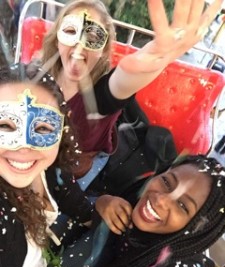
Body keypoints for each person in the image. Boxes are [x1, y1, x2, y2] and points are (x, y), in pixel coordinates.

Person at [41, 0, 223, 181]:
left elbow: (120, 84)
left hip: (70, 179)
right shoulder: (33, 78)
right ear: (57, 39)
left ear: (103, 51)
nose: (80, 46)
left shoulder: (101, 96)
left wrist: (153, 60)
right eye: (71, 31)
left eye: (93, 37)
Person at [0, 62, 93, 267]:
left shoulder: (49, 167)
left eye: (42, 128)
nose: (24, 145)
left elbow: (75, 202)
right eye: (5, 125)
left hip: (41, 252)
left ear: (62, 127)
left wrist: (99, 209)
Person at [82, 154, 225, 267]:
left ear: (196, 230)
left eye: (182, 206)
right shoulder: (137, 194)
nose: (161, 200)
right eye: (167, 182)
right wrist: (101, 202)